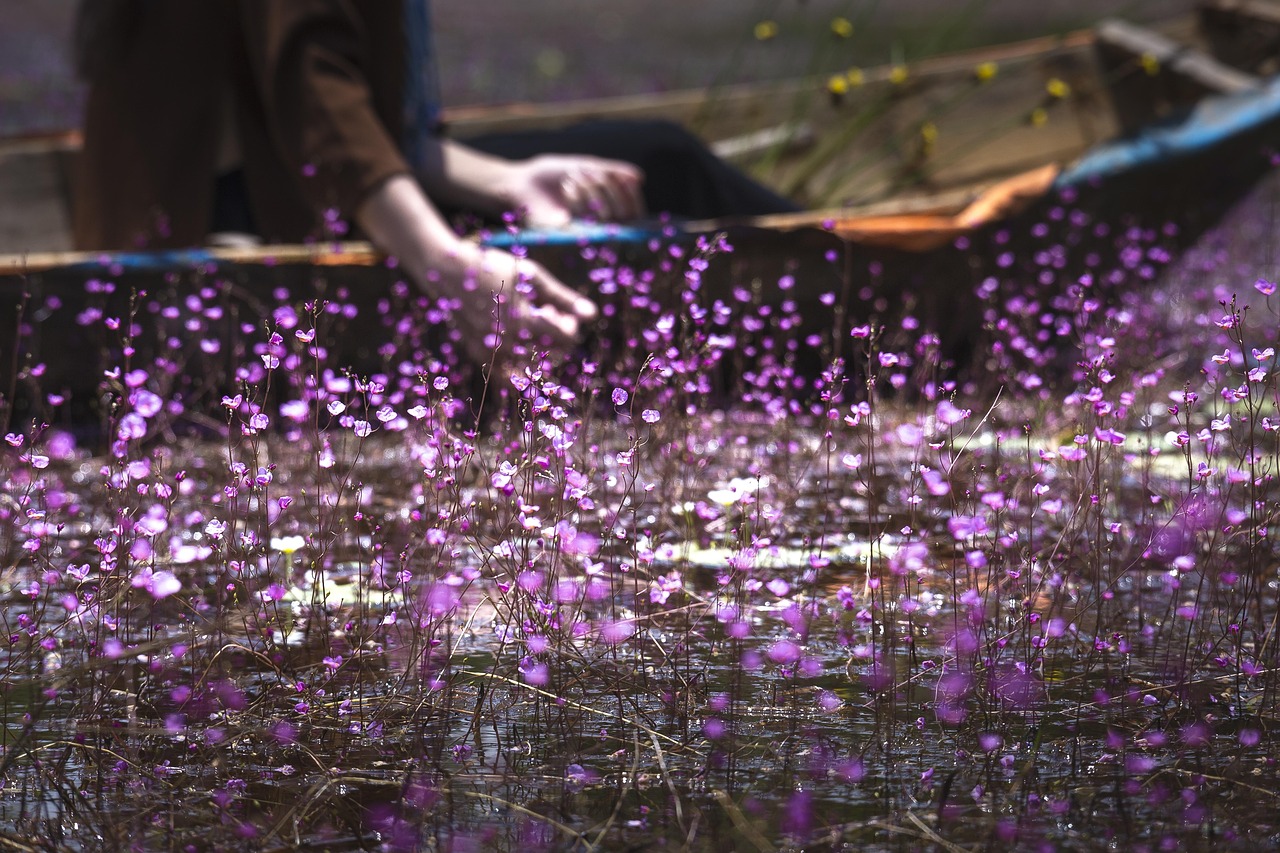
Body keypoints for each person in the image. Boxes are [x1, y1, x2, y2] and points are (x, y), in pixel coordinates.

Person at [72, 1, 795, 363]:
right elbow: (312, 100)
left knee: (661, 159)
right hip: (242, 206)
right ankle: (851, 280)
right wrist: (451, 268)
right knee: (668, 166)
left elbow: (366, 129)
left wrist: (508, 182)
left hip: (296, 180)